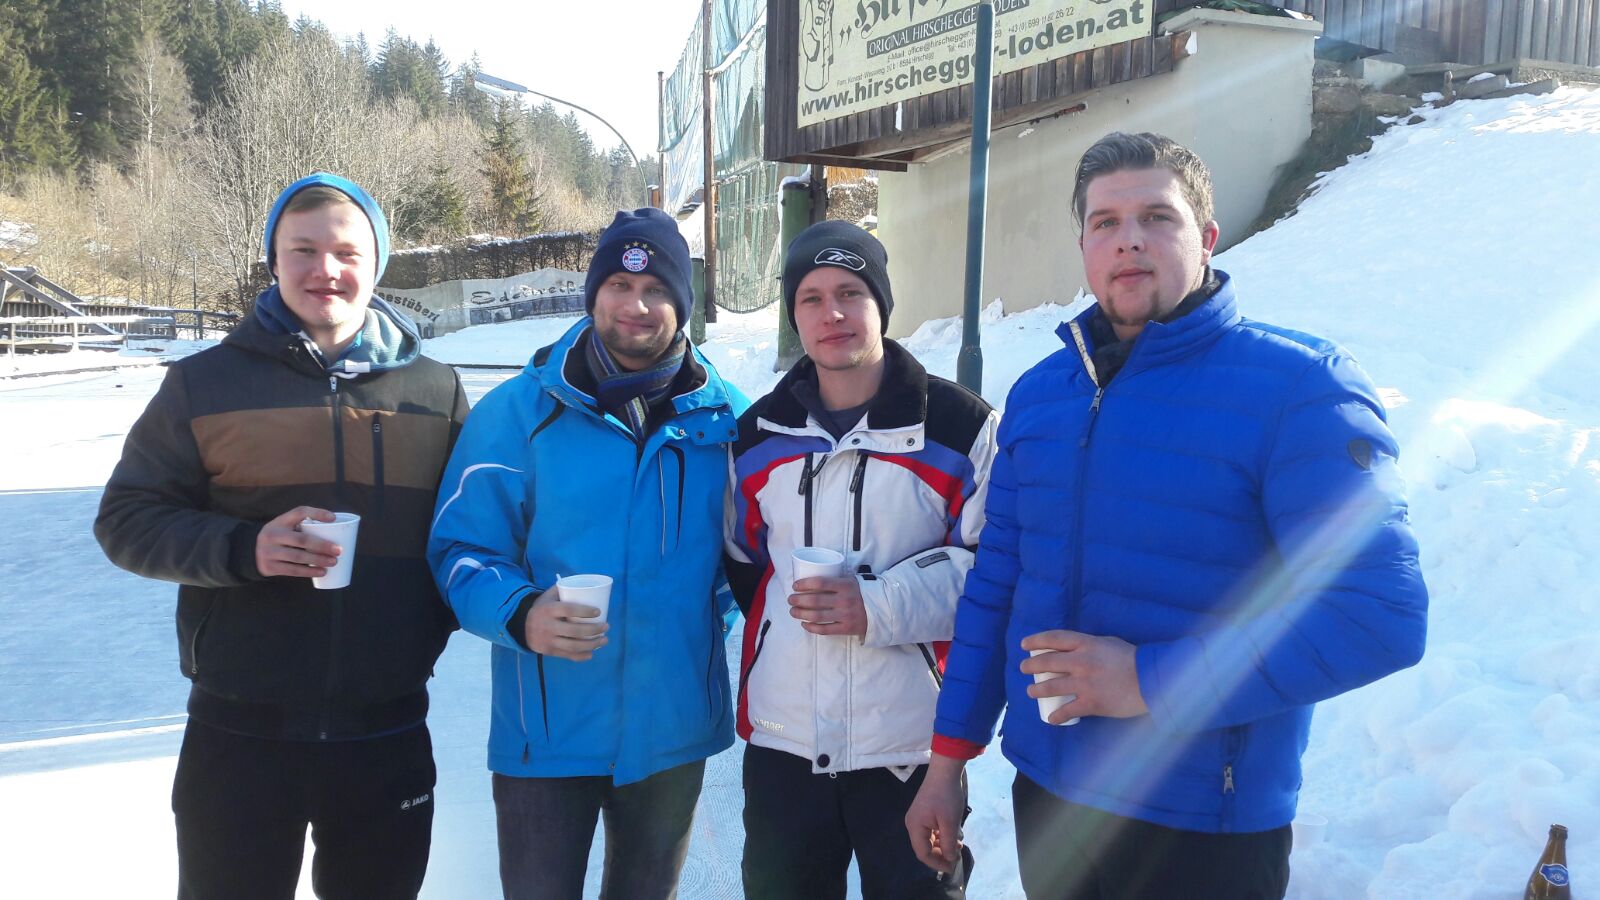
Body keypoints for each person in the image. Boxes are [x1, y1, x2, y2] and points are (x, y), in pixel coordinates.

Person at [905, 132, 1429, 899]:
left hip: (1202, 823)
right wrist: (946, 762)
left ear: (1207, 238)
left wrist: (1148, 682)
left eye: (1157, 217)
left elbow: (1378, 615)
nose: (1130, 240)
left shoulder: (1300, 388)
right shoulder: (1041, 395)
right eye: (1106, 222)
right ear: (1083, 247)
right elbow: (996, 589)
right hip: (1050, 801)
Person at [95, 172, 468, 899]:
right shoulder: (203, 385)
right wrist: (245, 548)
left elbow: (466, 535)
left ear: (377, 265)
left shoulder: (435, 392)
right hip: (239, 728)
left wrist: (424, 627)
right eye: (303, 250)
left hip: (386, 728)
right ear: (273, 261)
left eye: (347, 252)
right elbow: (126, 520)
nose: (325, 270)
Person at [428, 207, 745, 900]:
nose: (637, 305)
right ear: (594, 292)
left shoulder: (728, 422)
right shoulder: (517, 414)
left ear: (683, 304)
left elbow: (747, 563)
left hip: (671, 733)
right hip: (545, 732)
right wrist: (521, 613)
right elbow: (460, 549)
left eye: (657, 289)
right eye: (619, 286)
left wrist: (697, 629)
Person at [725, 221, 999, 899]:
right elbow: (746, 563)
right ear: (794, 315)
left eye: (851, 292)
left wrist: (875, 604)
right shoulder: (756, 435)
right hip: (784, 743)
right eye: (811, 298)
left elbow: (996, 573)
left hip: (910, 747)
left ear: (882, 303)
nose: (833, 314)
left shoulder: (960, 427)